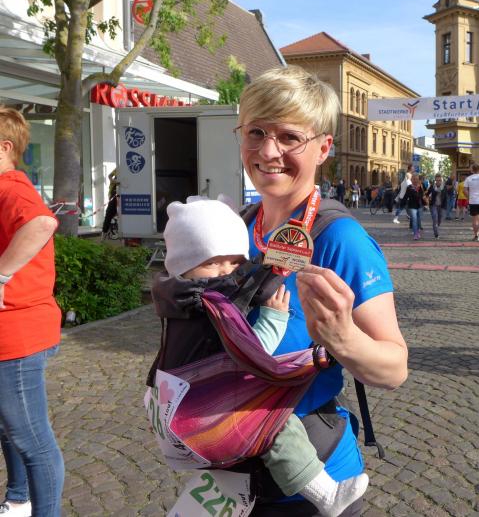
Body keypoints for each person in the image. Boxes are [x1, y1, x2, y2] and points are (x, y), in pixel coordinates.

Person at [234, 65, 408, 514]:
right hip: (228, 471)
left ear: (324, 148)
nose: (268, 151)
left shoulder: (340, 239)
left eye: (289, 137)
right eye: (256, 132)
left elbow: (394, 368)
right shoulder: (237, 226)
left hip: (312, 480)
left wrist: (343, 337)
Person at [158, 197, 368, 517]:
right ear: (184, 265)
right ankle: (324, 493)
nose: (226, 272)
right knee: (273, 421)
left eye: (234, 263)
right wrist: (273, 319)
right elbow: (248, 356)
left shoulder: (179, 297)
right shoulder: (207, 304)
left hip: (191, 401)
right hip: (211, 407)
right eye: (213, 263)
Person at [0, 107, 64, 517]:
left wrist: (0, 274)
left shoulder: (10, 187)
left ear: (5, 147)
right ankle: (19, 499)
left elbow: (42, 223)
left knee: (33, 442)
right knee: (11, 427)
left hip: (17, 335)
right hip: (14, 332)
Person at [425, 173, 446, 239]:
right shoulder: (432, 186)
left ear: (442, 180)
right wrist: (427, 200)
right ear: (435, 180)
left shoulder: (444, 187)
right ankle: (436, 234)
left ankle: (436, 226)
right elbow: (427, 194)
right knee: (435, 219)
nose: (438, 182)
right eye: (437, 180)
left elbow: (446, 196)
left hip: (441, 206)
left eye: (440, 180)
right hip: (433, 205)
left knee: (439, 220)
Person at [101, 167, 119, 239]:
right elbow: (109, 175)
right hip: (114, 194)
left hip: (124, 194)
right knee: (109, 213)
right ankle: (104, 232)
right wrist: (113, 181)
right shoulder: (119, 168)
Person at [405, 174, 424, 240]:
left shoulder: (420, 187)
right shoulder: (409, 187)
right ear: (412, 180)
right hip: (412, 206)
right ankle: (415, 234)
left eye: (416, 179)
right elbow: (406, 196)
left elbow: (422, 195)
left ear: (418, 180)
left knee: (418, 220)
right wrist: (402, 204)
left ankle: (418, 231)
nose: (415, 180)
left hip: (419, 205)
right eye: (414, 179)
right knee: (414, 219)